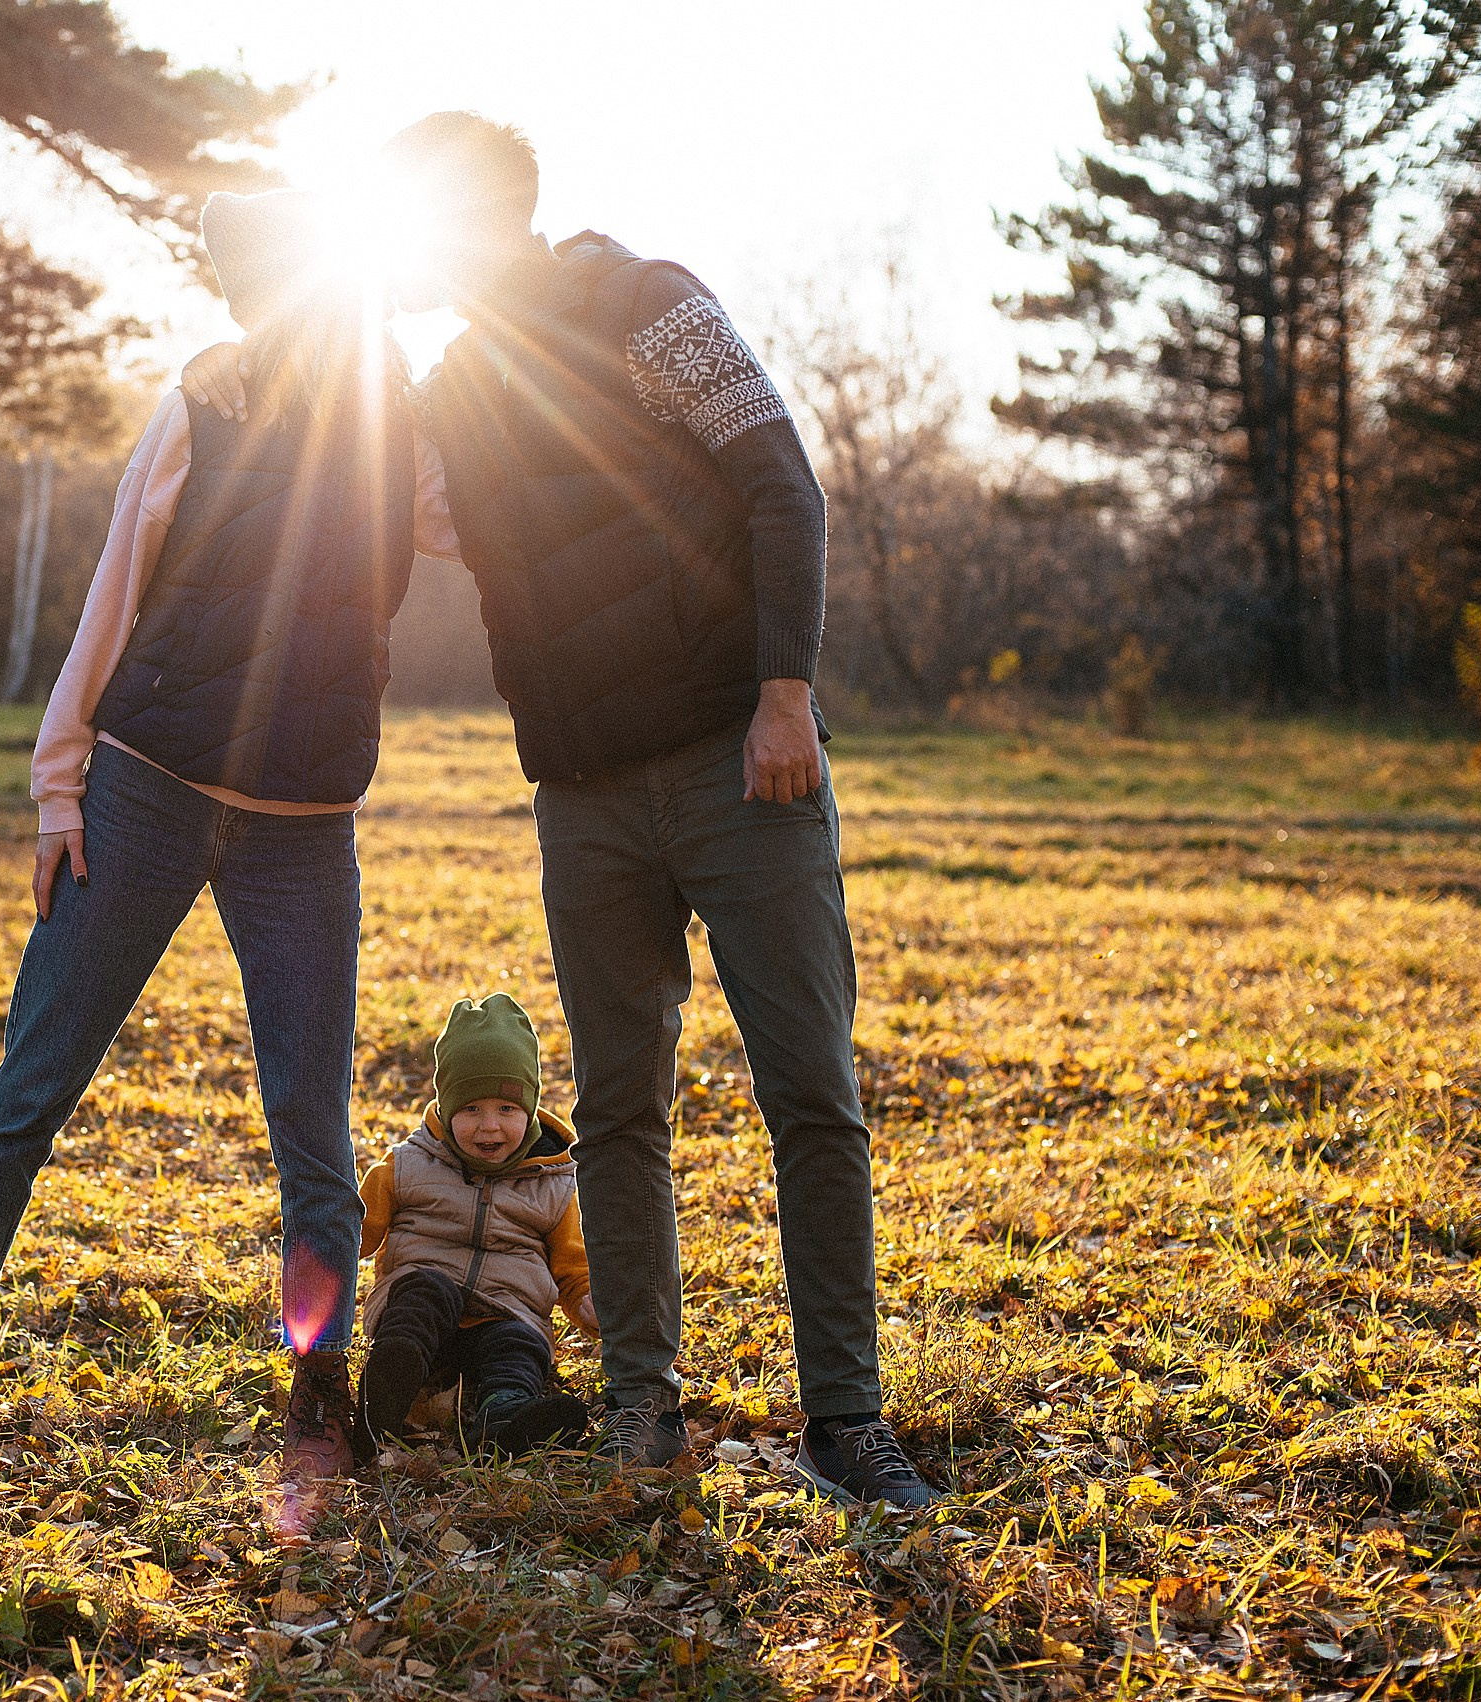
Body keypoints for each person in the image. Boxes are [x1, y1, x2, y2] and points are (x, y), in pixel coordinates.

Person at [183, 115, 941, 1507]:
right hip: (582, 798)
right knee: (616, 1112)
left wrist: (784, 693)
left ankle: (845, 1416)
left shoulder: (648, 303)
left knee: (809, 1097)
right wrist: (244, 356)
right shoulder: (453, 390)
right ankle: (640, 1403)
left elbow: (782, 484)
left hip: (738, 759)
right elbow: (354, 463)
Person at [0, 189, 457, 1489]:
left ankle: (316, 1387)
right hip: (143, 788)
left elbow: (478, 533)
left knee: (310, 1116)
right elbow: (111, 594)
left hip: (304, 825)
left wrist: (477, 398)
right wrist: (58, 787)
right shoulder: (204, 402)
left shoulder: (401, 438)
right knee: (35, 1077)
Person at [356, 993, 596, 1454]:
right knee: (427, 1291)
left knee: (519, 1344)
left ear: (530, 1110)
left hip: (508, 1311)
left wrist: (588, 1303)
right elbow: (358, 1233)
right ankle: (385, 1392)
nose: (489, 1127)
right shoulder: (407, 1165)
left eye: (506, 1110)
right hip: (421, 1310)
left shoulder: (555, 1184)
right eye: (471, 1110)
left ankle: (506, 1419)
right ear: (445, 1109)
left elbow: (572, 1265)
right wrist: (326, 1250)